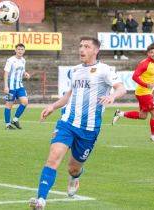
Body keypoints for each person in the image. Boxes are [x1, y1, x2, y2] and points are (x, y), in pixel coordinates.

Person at [29, 37, 126, 210]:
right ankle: (41, 200)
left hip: (89, 129)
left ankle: (75, 178)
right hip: (67, 123)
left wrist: (112, 96)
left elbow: (121, 88)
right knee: (53, 157)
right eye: (80, 46)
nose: (82, 49)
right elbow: (69, 95)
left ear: (96, 50)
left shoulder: (105, 70)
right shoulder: (75, 70)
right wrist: (53, 106)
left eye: (87, 47)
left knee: (73, 168)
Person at [112, 43, 154, 142]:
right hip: (143, 92)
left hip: (148, 92)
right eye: (151, 52)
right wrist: (146, 85)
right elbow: (134, 76)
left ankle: (120, 114)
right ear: (148, 53)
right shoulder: (144, 63)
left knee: (143, 116)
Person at [3, 43, 30, 130]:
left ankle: (15, 120)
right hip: (11, 87)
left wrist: (25, 74)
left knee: (25, 102)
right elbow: (6, 73)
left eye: (22, 49)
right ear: (15, 50)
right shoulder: (10, 60)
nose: (20, 51)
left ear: (24, 51)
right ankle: (7, 125)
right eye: (18, 49)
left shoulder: (23, 60)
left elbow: (22, 71)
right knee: (9, 105)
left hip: (20, 85)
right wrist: (6, 86)